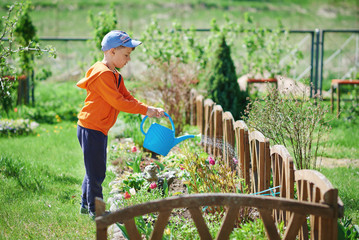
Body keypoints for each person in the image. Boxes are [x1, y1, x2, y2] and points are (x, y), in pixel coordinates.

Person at [76, 30, 165, 218]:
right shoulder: (102, 74)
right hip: (91, 127)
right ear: (112, 51)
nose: (128, 60)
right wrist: (145, 110)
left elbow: (127, 97)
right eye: (126, 55)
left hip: (97, 127)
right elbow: (118, 102)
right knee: (97, 172)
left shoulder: (115, 75)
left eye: (130, 56)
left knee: (93, 169)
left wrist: (147, 108)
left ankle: (86, 205)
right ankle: (96, 211)